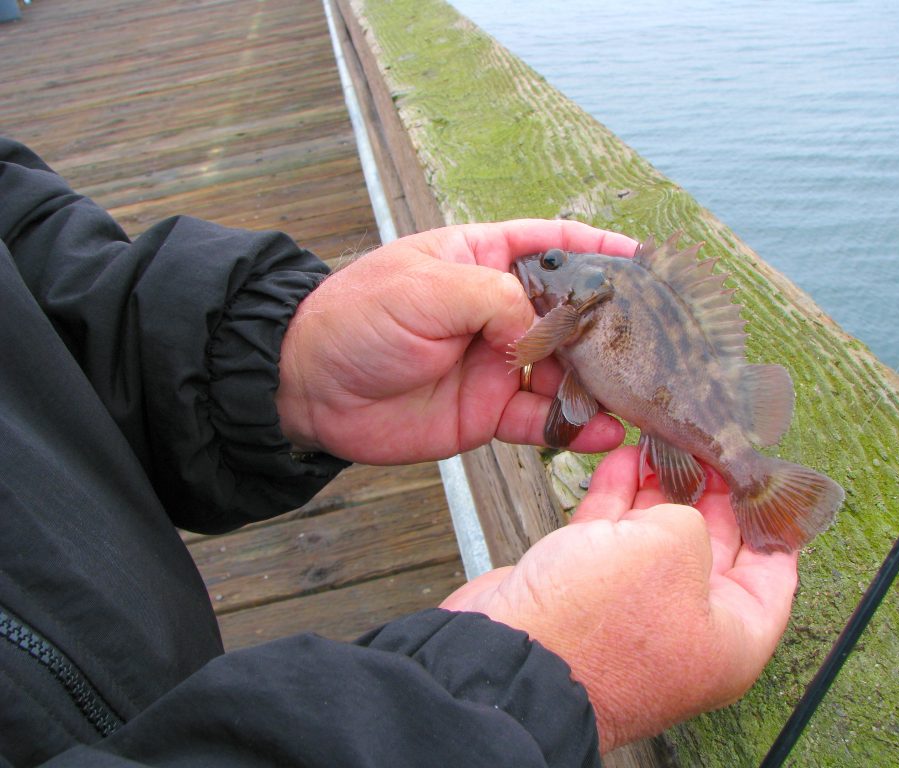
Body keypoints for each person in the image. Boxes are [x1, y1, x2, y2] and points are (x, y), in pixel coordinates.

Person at [0, 136, 798, 767]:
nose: (537, 270)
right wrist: (521, 688)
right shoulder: (578, 306)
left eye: (550, 268)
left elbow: (29, 258)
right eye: (548, 264)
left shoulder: (585, 306)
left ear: (582, 291)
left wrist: (282, 356)